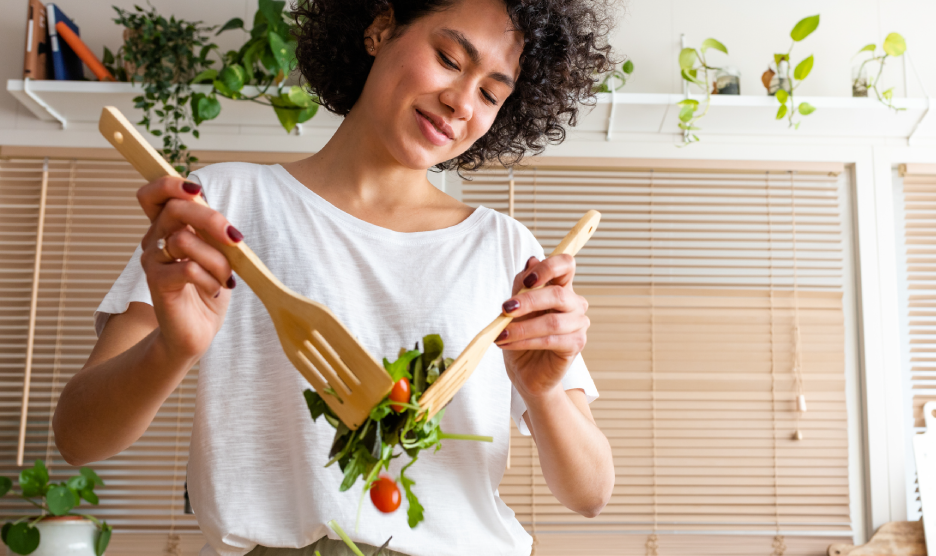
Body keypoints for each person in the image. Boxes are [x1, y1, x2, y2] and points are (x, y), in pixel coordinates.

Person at [52, 0, 617, 554]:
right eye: (449, 58)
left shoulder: (505, 249)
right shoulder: (224, 205)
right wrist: (172, 349)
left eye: (492, 93)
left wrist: (542, 395)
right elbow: (77, 439)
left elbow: (591, 494)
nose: (461, 102)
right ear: (379, 28)